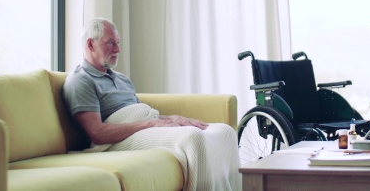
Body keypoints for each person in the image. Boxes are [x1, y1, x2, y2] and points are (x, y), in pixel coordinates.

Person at [62, 18, 241, 191]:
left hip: (141, 127)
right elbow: (98, 134)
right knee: (193, 139)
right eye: (111, 43)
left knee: (225, 132)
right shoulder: (80, 81)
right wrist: (150, 123)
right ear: (90, 44)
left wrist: (171, 118)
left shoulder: (121, 79)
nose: (118, 49)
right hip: (114, 141)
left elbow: (143, 115)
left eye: (118, 42)